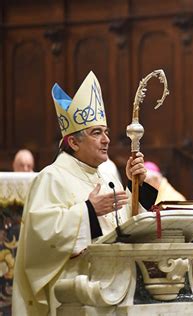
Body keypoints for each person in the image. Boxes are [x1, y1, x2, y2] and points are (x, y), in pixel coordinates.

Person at [12, 71, 157, 315]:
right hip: (75, 289)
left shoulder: (108, 176)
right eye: (96, 133)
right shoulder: (51, 177)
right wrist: (88, 211)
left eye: (106, 132)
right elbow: (40, 238)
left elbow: (126, 227)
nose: (106, 140)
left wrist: (136, 189)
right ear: (74, 142)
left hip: (116, 285)